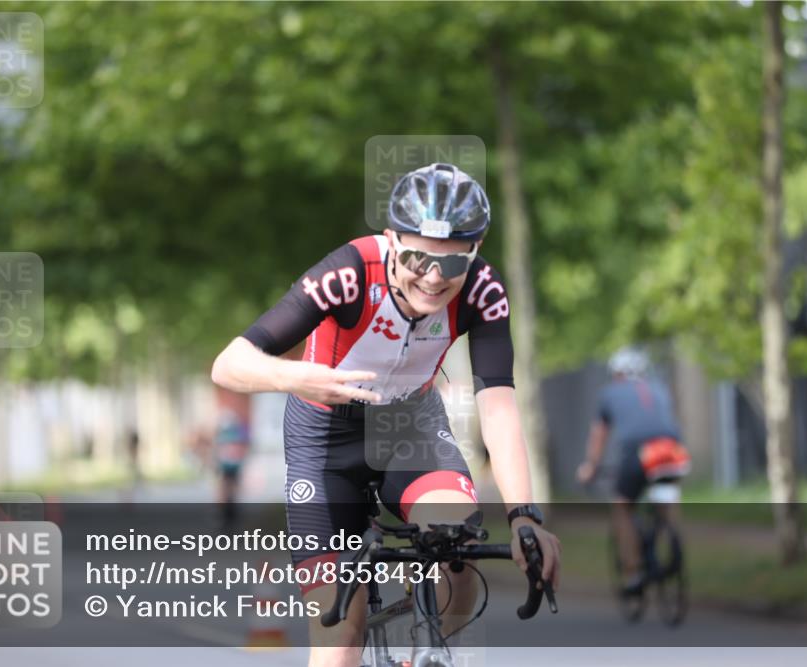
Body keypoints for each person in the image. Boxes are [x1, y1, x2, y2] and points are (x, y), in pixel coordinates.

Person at [212, 163, 561, 667]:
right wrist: (298, 379)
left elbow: (499, 407)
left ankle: (425, 654)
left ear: (476, 252)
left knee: (456, 551)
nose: (435, 278)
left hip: (411, 426)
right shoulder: (349, 273)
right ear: (392, 240)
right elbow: (229, 364)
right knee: (340, 635)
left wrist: (524, 516)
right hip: (323, 439)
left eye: (454, 263)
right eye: (419, 258)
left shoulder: (483, 291)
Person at [576, 347, 691, 595]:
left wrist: (590, 467)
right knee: (666, 499)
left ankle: (633, 572)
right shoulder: (659, 388)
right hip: (673, 450)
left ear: (616, 373)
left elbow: (599, 435)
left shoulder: (609, 393)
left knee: (622, 506)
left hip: (640, 452)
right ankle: (672, 543)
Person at [212, 387, 252, 527]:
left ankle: (230, 513)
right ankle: (222, 513)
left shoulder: (238, 420)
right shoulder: (224, 418)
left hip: (234, 460)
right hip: (225, 460)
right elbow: (216, 438)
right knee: (224, 485)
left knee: (231, 485)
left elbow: (245, 441)